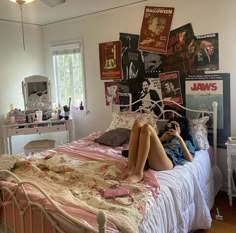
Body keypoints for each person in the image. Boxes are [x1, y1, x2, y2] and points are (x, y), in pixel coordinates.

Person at [123, 117, 195, 183]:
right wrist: (161, 139)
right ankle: (130, 169)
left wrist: (179, 137)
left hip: (168, 161)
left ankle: (138, 173)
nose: (172, 128)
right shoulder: (162, 136)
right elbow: (147, 146)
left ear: (181, 128)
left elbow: (190, 159)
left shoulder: (186, 140)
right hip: (151, 158)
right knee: (137, 124)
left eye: (175, 126)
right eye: (170, 125)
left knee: (147, 127)